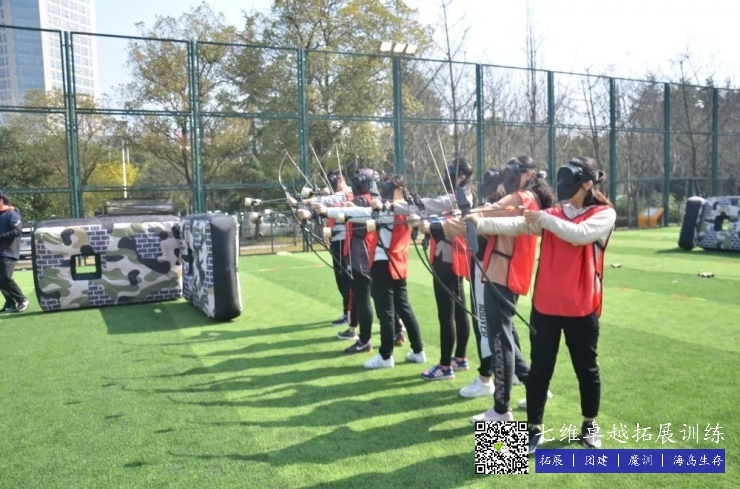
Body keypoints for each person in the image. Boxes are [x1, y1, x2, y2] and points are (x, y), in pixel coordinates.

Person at [464, 157, 616, 454]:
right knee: (539, 372)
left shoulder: (603, 213)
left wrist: (544, 219)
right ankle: (534, 429)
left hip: (582, 307)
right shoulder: (554, 213)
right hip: (546, 306)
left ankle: (589, 423)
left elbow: (579, 235)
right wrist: (480, 222)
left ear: (588, 183)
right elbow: (518, 225)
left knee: (586, 369)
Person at [432, 157, 556, 421]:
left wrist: (441, 227)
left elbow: (486, 214)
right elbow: (487, 216)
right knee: (505, 337)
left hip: (503, 274)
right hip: (506, 273)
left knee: (500, 342)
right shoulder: (525, 198)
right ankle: (535, 389)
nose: (507, 176)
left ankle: (501, 410)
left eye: (513, 171)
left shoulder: (521, 198)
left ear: (528, 174)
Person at [324, 174, 427, 368]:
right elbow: (365, 212)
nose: (385, 193)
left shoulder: (397, 208)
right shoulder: (398, 207)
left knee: (386, 311)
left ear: (400, 190)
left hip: (384, 264)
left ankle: (386, 356)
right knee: (403, 308)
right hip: (398, 264)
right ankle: (418, 351)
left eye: (390, 189)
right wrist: (335, 210)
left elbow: (366, 213)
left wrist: (329, 211)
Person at [395, 158, 473, 381]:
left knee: (446, 314)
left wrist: (391, 205)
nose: (446, 176)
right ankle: (460, 358)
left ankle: (445, 366)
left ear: (461, 177)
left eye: (451, 173)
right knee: (459, 310)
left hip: (447, 259)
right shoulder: (462, 195)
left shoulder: (457, 197)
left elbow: (429, 205)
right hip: (454, 257)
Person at [321, 168, 379, 353]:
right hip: (361, 253)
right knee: (371, 297)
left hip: (362, 255)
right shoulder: (368, 201)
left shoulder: (367, 201)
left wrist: (326, 210)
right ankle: (387, 334)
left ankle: (365, 341)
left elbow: (352, 209)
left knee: (366, 298)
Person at [306, 170, 354, 326]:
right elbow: (325, 208)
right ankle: (348, 312)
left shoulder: (347, 193)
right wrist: (309, 212)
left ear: (341, 180)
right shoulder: (336, 195)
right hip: (336, 240)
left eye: (334, 182)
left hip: (346, 241)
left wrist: (307, 200)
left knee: (347, 280)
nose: (332, 185)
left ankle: (351, 314)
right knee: (341, 279)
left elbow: (330, 200)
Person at [0, 192, 29, 313]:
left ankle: (22, 300)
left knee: (6, 277)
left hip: (8, 251)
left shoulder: (12, 214)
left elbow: (17, 231)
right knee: (1, 279)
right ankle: (10, 303)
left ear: (1, 200)